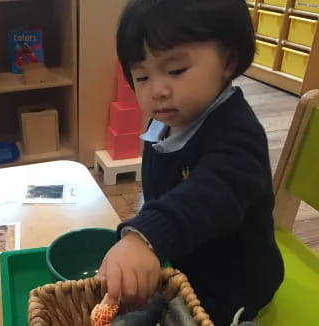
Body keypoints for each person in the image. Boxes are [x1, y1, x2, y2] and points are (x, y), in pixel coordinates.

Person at [97, 1, 284, 324]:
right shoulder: (166, 123)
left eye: (175, 71)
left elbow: (207, 194)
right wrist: (141, 228)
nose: (157, 91)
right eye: (141, 77)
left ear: (228, 61)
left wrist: (146, 237)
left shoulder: (239, 135)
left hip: (232, 286)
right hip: (184, 263)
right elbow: (160, 193)